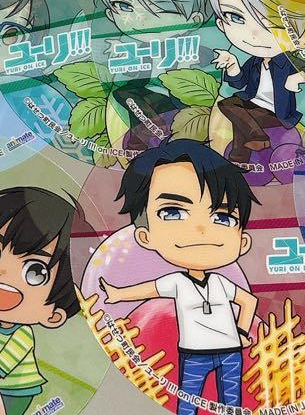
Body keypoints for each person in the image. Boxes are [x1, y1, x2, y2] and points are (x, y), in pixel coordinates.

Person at [98, 140, 259, 415]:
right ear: (145, 236)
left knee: (231, 404)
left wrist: (242, 332)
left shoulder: (220, 282)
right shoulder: (177, 282)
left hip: (231, 351)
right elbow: (149, 289)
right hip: (193, 353)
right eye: (172, 212)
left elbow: (249, 301)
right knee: (187, 403)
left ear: (242, 241)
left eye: (222, 217)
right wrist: (118, 294)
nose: (200, 229)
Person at [0, 187, 80, 415]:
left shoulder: (21, 336)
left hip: (12, 390)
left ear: (54, 315)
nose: (3, 273)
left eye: (35, 272)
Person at [208, 0, 305, 164]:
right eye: (235, 17)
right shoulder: (256, 61)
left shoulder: (289, 61)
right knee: (232, 106)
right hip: (252, 104)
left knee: (241, 117)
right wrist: (232, 64)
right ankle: (243, 153)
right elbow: (240, 82)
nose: (254, 34)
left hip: (277, 113)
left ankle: (245, 150)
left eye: (272, 22)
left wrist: (297, 77)